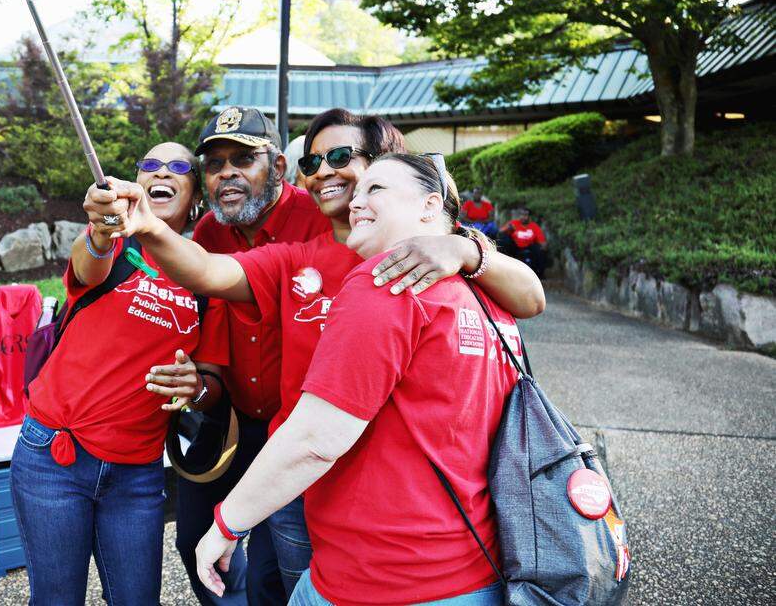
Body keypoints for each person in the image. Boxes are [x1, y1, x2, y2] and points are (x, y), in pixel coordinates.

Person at [90, 109, 544, 598]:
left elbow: (319, 436)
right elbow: (208, 270)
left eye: (343, 158)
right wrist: (151, 228)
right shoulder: (310, 254)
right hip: (343, 506)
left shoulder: (407, 274)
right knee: (283, 583)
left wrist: (467, 250)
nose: (325, 171)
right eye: (314, 161)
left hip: (395, 549)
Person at [194, 154, 521, 606]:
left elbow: (316, 438)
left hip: (380, 576)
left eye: (376, 190)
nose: (355, 201)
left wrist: (227, 523)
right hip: (475, 568)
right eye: (359, 190)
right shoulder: (487, 292)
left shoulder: (385, 282)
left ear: (430, 205)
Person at [10, 143, 229, 606]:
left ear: (195, 198)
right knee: (55, 600)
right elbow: (87, 266)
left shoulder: (209, 276)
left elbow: (211, 386)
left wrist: (196, 388)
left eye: (176, 167)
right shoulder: (115, 241)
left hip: (137, 473)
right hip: (54, 455)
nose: (160, 172)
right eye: (149, 165)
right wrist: (102, 229)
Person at [177, 106, 330, 606]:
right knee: (192, 537)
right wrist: (197, 386)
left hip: (296, 424)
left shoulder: (320, 223)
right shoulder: (208, 236)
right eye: (216, 164)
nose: (227, 174)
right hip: (232, 417)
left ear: (279, 168)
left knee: (272, 568)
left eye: (243, 159)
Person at [499, 207, 547, 279]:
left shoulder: (534, 226)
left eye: (525, 215)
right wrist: (508, 229)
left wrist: (543, 247)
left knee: (539, 250)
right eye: (521, 215)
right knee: (504, 239)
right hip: (515, 246)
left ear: (529, 217)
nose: (523, 217)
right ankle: (503, 266)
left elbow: (542, 242)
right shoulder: (514, 223)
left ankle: (539, 274)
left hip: (529, 246)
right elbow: (501, 231)